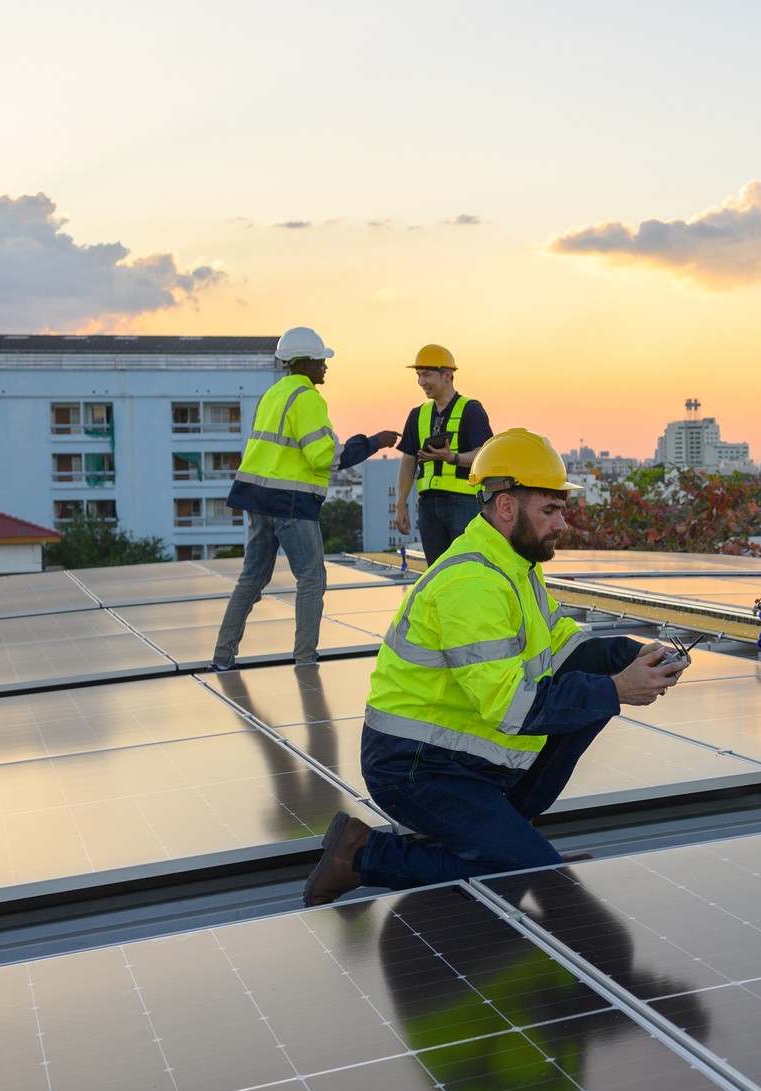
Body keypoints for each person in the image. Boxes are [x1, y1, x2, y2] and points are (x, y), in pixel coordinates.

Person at [303, 428, 689, 905]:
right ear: (507, 506)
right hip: (417, 767)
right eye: (550, 510)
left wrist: (630, 655)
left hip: (467, 758)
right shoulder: (473, 583)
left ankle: (503, 840)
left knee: (593, 692)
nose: (562, 524)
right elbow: (511, 707)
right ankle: (363, 855)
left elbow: (562, 645)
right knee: (532, 872)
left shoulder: (514, 564)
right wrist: (617, 689)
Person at [212, 327, 399, 670]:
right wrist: (372, 442)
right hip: (292, 505)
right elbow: (325, 457)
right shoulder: (308, 398)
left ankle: (221, 659)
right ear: (304, 363)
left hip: (257, 500)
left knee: (251, 579)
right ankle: (305, 660)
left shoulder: (272, 395)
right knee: (312, 579)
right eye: (320, 360)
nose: (325, 366)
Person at [393, 343, 494, 564]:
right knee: (437, 574)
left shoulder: (471, 410)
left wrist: (453, 458)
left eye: (427, 375)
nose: (421, 382)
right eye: (419, 375)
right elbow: (409, 461)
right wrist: (400, 503)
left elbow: (483, 456)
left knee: (465, 570)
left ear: (447, 375)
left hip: (465, 504)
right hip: (428, 505)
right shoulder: (418, 414)